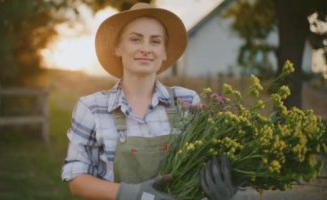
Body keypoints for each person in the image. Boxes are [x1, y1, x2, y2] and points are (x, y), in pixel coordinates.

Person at [61, 3, 237, 200]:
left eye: (155, 41)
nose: (145, 49)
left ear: (164, 53)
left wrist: (219, 186)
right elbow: (76, 178)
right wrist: (132, 194)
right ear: (118, 48)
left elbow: (201, 163)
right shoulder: (92, 108)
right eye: (135, 39)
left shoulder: (186, 101)